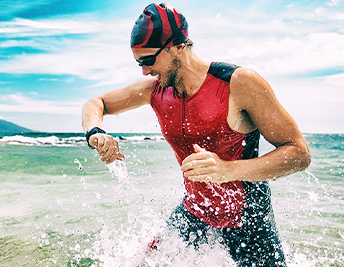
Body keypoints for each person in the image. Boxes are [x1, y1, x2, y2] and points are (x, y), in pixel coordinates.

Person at [80, 3, 310, 266]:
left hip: (247, 219)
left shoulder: (239, 83)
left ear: (178, 46)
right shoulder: (155, 91)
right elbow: (95, 103)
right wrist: (95, 132)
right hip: (196, 211)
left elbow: (299, 153)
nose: (144, 70)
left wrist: (227, 170)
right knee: (144, 261)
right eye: (138, 62)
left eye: (148, 60)